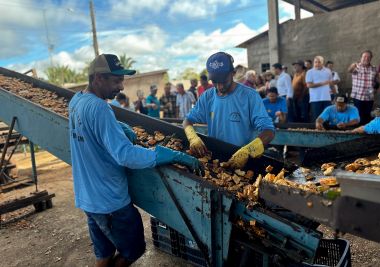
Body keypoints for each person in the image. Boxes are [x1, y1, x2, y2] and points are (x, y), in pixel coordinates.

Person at [68, 54, 200, 267]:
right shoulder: (101, 108)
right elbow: (126, 155)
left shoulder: (77, 100)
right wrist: (165, 154)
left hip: (88, 196)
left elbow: (89, 129)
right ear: (98, 78)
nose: (121, 86)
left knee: (104, 253)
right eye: (116, 80)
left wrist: (116, 127)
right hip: (110, 201)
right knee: (134, 250)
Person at [183, 52, 275, 169]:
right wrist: (193, 138)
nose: (219, 87)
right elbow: (187, 121)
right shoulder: (207, 97)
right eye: (215, 82)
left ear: (233, 73)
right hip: (214, 161)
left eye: (224, 81)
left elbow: (269, 132)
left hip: (243, 163)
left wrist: (247, 151)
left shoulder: (250, 96)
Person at [348, 50, 377, 125]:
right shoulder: (356, 66)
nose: (366, 58)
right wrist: (352, 66)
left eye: (368, 57)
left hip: (369, 97)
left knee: (367, 116)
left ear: (371, 58)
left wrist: (375, 90)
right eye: (364, 56)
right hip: (358, 96)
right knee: (358, 116)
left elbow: (376, 81)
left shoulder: (374, 68)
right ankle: (358, 132)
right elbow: (350, 70)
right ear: (361, 58)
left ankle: (366, 132)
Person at [306, 56, 333, 122]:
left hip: (327, 98)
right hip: (315, 99)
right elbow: (309, 85)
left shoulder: (328, 71)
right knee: (316, 118)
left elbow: (331, 83)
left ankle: (327, 131)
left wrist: (334, 94)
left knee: (327, 118)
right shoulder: (310, 72)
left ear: (322, 63)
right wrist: (322, 83)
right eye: (315, 62)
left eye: (319, 62)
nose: (317, 64)